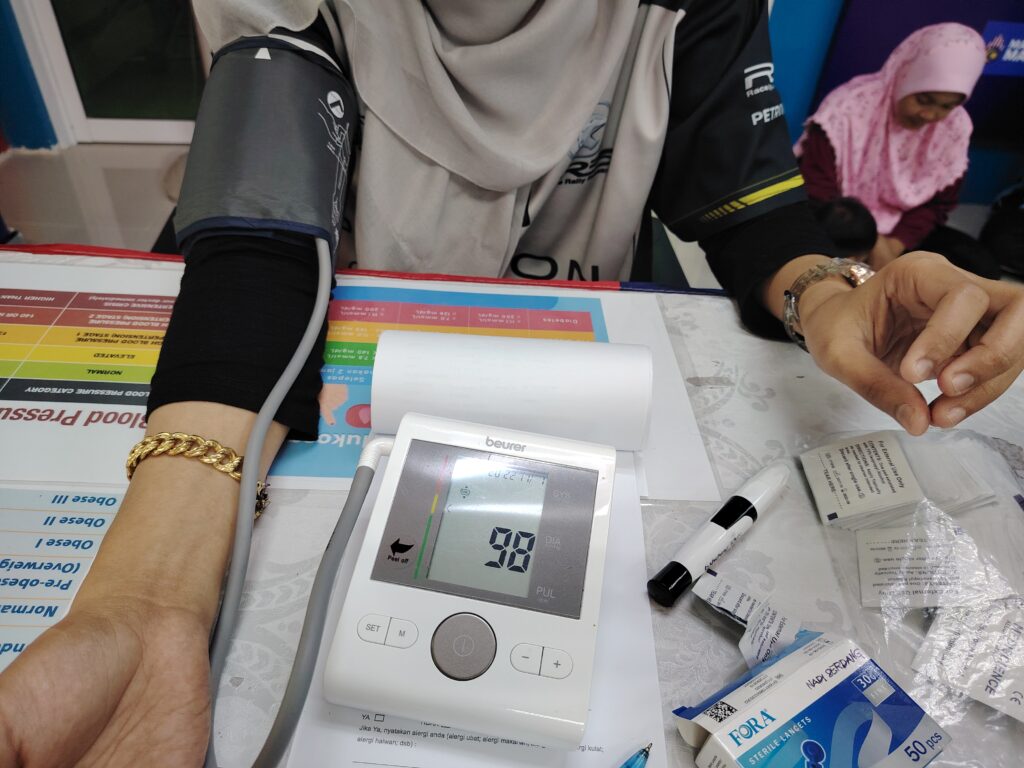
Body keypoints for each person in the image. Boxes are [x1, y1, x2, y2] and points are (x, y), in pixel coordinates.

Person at [0, 3, 1022, 767]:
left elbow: (744, 205)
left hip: (570, 311)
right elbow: (262, 237)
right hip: (339, 303)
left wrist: (823, 296)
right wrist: (149, 604)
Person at [796, 23, 1002, 277]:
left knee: (980, 269)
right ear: (906, 75)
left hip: (900, 233)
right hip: (841, 224)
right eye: (923, 99)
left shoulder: (954, 127)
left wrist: (896, 243)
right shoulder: (848, 108)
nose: (930, 115)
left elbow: (939, 205)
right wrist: (871, 242)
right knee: (815, 262)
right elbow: (817, 190)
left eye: (946, 106)